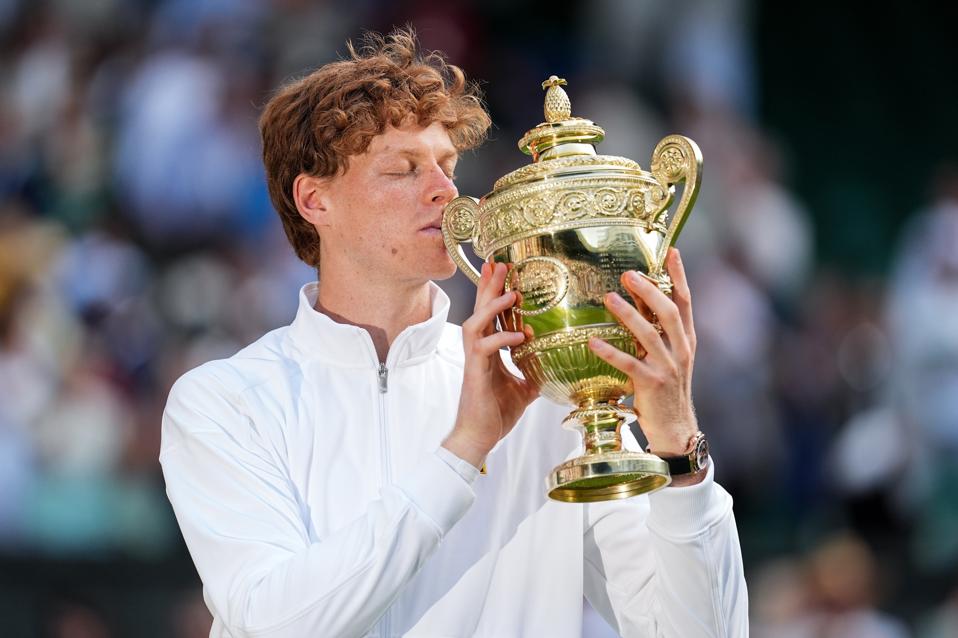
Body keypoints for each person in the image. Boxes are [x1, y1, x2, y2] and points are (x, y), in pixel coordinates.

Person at [160, 29, 748, 637]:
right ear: (315, 200)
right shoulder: (224, 401)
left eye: (447, 166)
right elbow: (276, 624)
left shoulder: (547, 392)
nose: (444, 190)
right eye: (403, 170)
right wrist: (464, 451)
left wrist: (679, 450)